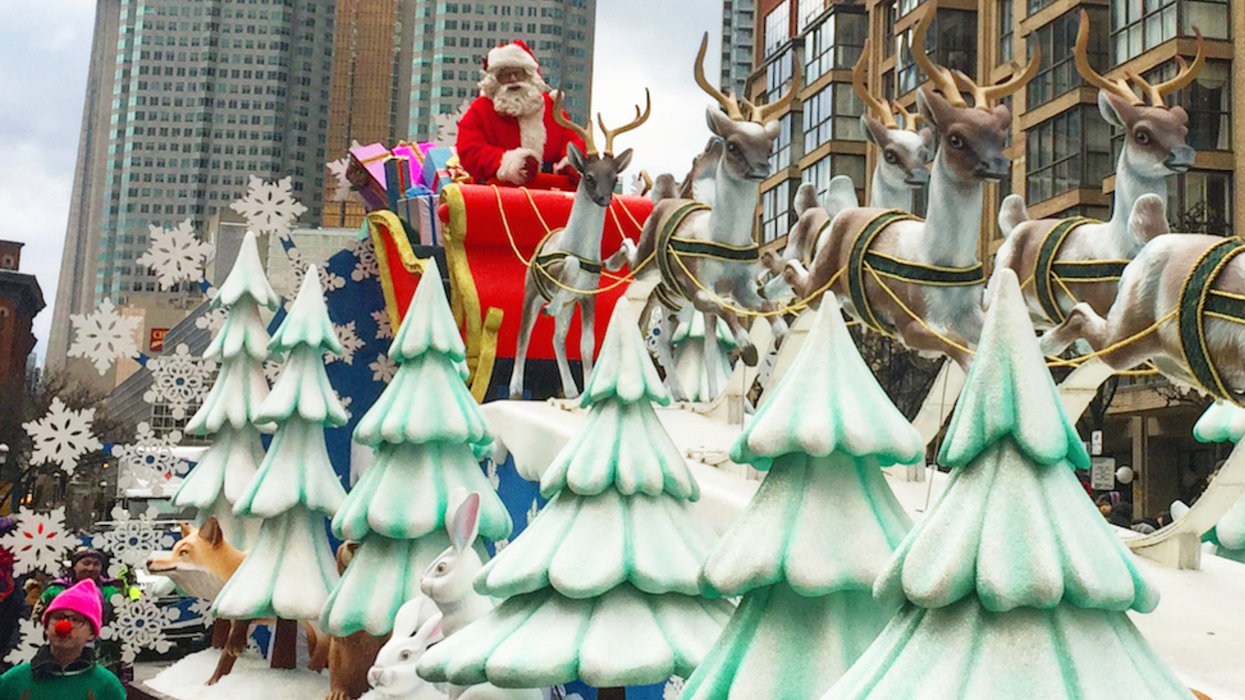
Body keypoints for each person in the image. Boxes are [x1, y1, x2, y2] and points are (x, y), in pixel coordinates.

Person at [455, 40, 586, 186]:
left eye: (518, 73)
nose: (513, 79)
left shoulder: (550, 107)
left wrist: (570, 163)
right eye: (505, 75)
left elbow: (574, 142)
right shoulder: (481, 109)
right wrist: (506, 162)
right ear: (495, 81)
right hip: (495, 194)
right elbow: (469, 150)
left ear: (529, 75)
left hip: (550, 194)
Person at [0, 578, 125, 699]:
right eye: (58, 617)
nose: (65, 626)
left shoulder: (107, 686)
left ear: (92, 632)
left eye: (76, 620)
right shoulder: (12, 682)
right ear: (46, 627)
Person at [31, 549, 130, 681]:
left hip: (103, 656)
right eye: (86, 563)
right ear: (74, 565)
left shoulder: (111, 593)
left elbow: (125, 626)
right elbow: (35, 621)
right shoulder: (55, 591)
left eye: (96, 564)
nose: (91, 568)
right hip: (59, 655)